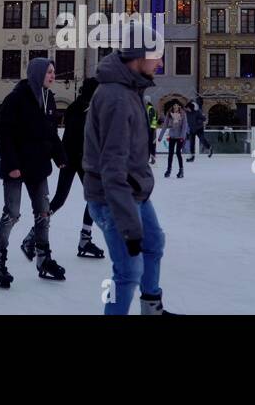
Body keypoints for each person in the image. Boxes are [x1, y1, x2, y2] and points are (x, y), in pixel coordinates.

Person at [83, 23, 174, 314]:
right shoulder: (117, 97)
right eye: (158, 55)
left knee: (154, 244)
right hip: (113, 198)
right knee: (126, 272)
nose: (160, 62)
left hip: (134, 192)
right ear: (140, 55)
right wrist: (130, 226)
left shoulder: (130, 89)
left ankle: (151, 308)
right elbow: (112, 167)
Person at [0, 57, 68, 288]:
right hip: (17, 166)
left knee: (43, 213)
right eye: (49, 72)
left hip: (39, 166)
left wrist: (60, 156)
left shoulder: (49, 99)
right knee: (11, 214)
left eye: (54, 72)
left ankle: (43, 259)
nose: (53, 76)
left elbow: (51, 133)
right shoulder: (16, 98)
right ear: (37, 73)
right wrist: (11, 165)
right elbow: (4, 133)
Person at [20, 77, 105, 260]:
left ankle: (83, 239)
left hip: (76, 159)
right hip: (75, 159)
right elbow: (77, 135)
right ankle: (34, 235)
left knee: (86, 198)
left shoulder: (84, 107)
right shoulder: (82, 108)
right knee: (67, 199)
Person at [158, 102, 188, 178]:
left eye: (176, 105)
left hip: (180, 137)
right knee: (170, 153)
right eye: (174, 105)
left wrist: (182, 137)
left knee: (178, 152)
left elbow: (184, 126)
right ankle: (169, 169)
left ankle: (181, 170)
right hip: (172, 136)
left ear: (179, 106)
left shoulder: (183, 114)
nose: (175, 106)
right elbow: (165, 126)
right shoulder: (169, 115)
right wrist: (160, 137)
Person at [145, 96, 159, 165]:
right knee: (150, 144)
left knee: (149, 144)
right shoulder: (150, 108)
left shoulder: (149, 108)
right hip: (151, 128)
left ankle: (151, 158)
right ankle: (150, 158)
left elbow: (150, 119)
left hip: (150, 128)